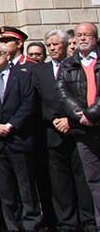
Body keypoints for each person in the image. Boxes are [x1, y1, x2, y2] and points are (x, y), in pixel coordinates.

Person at [0, 42, 40, 230]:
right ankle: (12, 226)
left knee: (26, 188)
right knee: (6, 191)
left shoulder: (22, 76)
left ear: (8, 56)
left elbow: (28, 103)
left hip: (18, 139)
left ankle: (31, 225)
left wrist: (11, 125)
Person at [36, 29, 94, 232]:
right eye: (49, 45)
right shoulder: (40, 71)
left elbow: (82, 96)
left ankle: (88, 220)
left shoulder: (74, 65)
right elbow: (37, 102)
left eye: (56, 44)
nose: (52, 48)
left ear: (65, 45)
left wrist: (71, 120)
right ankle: (67, 222)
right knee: (60, 183)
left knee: (83, 179)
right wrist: (54, 120)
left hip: (77, 129)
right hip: (52, 133)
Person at [60, 21, 100, 219]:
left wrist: (92, 114)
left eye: (87, 35)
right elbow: (63, 92)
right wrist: (80, 115)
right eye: (79, 35)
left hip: (96, 121)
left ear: (96, 38)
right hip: (83, 130)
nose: (82, 38)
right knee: (93, 179)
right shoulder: (68, 64)